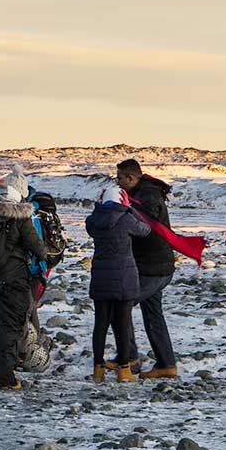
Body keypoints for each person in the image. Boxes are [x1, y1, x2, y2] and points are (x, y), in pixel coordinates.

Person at [0, 165, 50, 389]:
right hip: (13, 280)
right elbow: (39, 249)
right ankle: (5, 377)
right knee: (10, 328)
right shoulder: (20, 218)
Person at [117, 158, 178, 379]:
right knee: (153, 315)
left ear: (131, 177)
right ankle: (166, 364)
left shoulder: (148, 196)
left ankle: (129, 359)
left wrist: (125, 212)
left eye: (120, 178)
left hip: (153, 267)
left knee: (120, 307)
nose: (119, 183)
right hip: (157, 265)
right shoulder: (145, 193)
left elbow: (146, 224)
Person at [85, 184, 152, 382]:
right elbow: (145, 230)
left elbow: (92, 226)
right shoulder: (126, 218)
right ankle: (124, 369)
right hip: (124, 276)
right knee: (123, 324)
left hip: (100, 276)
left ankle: (98, 368)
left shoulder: (92, 221)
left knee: (101, 323)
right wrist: (130, 209)